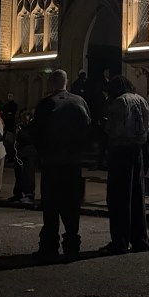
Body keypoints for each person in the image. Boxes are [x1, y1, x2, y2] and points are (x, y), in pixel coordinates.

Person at [30, 69, 91, 261]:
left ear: (52, 82)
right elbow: (87, 128)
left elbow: (36, 132)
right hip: (72, 163)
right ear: (67, 82)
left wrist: (43, 153)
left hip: (52, 162)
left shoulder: (46, 104)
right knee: (71, 204)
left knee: (51, 206)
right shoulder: (79, 102)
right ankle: (72, 244)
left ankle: (49, 245)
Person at [102, 75, 149, 254]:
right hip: (137, 149)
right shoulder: (141, 100)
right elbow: (148, 124)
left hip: (120, 150)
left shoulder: (119, 102)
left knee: (118, 197)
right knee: (137, 196)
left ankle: (120, 241)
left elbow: (113, 129)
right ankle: (140, 239)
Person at [11, 110, 37, 204]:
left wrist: (20, 132)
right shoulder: (22, 127)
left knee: (28, 174)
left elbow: (28, 138)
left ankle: (29, 193)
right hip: (21, 152)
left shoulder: (32, 127)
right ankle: (18, 193)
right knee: (19, 174)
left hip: (29, 153)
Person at [1, 93, 18, 161]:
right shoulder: (5, 105)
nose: (9, 97)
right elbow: (4, 113)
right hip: (6, 125)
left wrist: (7, 114)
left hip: (11, 126)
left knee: (10, 142)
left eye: (10, 96)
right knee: (6, 142)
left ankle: (10, 157)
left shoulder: (14, 105)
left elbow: (11, 114)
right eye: (8, 96)